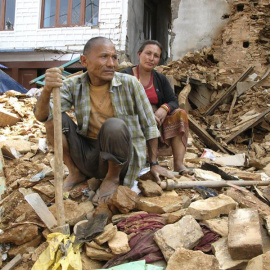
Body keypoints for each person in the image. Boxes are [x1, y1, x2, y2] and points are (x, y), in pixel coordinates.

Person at [34, 36, 170, 205]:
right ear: (85, 61)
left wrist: (154, 163)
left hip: (121, 159)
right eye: (104, 57)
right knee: (54, 118)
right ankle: (75, 171)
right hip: (88, 155)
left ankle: (112, 178)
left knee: (114, 125)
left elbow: (149, 125)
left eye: (114, 57)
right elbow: (42, 116)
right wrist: (47, 91)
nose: (112, 63)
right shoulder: (74, 85)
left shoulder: (130, 84)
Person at [121, 40, 191, 175]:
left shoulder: (160, 79)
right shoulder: (126, 75)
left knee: (180, 113)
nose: (151, 58)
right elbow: (122, 101)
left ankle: (178, 164)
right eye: (148, 53)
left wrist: (164, 108)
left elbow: (172, 101)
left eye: (156, 56)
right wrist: (145, 113)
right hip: (132, 120)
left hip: (156, 121)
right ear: (139, 54)